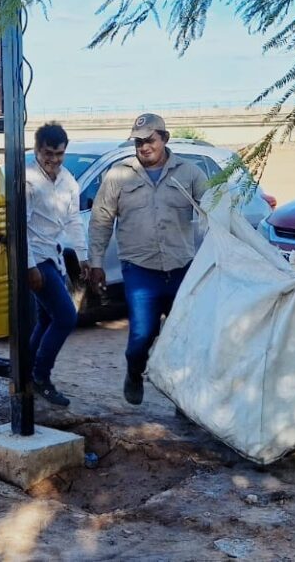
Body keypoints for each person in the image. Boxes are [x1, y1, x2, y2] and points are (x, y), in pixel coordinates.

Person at [88, 113, 209, 405]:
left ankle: (183, 398)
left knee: (184, 337)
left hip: (181, 269)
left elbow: (213, 212)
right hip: (140, 270)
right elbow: (101, 219)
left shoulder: (190, 174)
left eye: (149, 140)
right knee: (142, 335)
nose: (144, 147)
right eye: (138, 142)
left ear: (164, 138)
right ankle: (134, 372)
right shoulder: (118, 175)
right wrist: (96, 262)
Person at [26, 122, 85, 407]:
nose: (53, 159)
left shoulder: (68, 181)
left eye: (59, 154)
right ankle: (41, 376)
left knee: (48, 319)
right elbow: (18, 226)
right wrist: (29, 266)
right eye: (48, 153)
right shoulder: (27, 181)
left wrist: (84, 256)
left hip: (54, 255)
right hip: (36, 258)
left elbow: (73, 220)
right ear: (37, 150)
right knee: (65, 317)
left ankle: (26, 373)